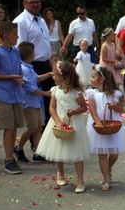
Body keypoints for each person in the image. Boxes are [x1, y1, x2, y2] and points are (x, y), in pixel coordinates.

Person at [35, 61, 89, 193]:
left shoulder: (76, 92)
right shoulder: (55, 91)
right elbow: (52, 108)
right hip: (58, 120)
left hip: (73, 121)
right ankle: (60, 172)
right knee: (58, 148)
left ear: (63, 76)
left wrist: (74, 112)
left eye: (55, 75)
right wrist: (58, 121)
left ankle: (80, 180)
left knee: (77, 152)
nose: (53, 77)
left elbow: (84, 107)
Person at [0, 22, 25, 175]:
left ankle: (11, 156)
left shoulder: (15, 52)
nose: (17, 37)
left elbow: (19, 68)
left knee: (14, 126)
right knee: (8, 127)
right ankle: (8, 159)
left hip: (15, 93)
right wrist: (9, 77)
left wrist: (20, 77)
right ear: (6, 36)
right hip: (3, 94)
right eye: (15, 34)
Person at [13, 0, 54, 120]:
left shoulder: (41, 20)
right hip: (31, 65)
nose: (36, 5)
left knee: (50, 98)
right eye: (32, 2)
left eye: (38, 2)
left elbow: (46, 44)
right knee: (35, 102)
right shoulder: (21, 22)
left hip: (45, 63)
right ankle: (36, 135)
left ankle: (48, 130)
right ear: (25, 4)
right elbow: (20, 47)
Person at [87, 65, 125, 191]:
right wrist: (97, 121)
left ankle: (109, 168)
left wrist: (113, 107)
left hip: (112, 122)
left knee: (114, 153)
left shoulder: (115, 94)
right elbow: (92, 110)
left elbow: (121, 109)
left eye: (93, 77)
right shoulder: (92, 94)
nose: (90, 79)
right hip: (99, 125)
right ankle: (106, 179)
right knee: (102, 154)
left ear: (101, 80)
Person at [15, 42, 53, 164]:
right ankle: (19, 147)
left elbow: (36, 78)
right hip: (28, 103)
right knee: (31, 128)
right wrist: (46, 94)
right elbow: (30, 88)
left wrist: (49, 74)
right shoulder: (24, 69)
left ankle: (38, 152)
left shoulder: (30, 68)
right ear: (31, 55)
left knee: (39, 127)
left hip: (36, 102)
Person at [99, 27, 125, 94]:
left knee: (116, 81)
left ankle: (117, 95)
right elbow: (104, 58)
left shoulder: (113, 44)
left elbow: (113, 54)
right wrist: (114, 61)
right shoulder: (104, 46)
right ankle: (109, 95)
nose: (114, 36)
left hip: (112, 65)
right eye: (112, 35)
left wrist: (118, 56)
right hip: (107, 66)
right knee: (109, 82)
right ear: (107, 36)